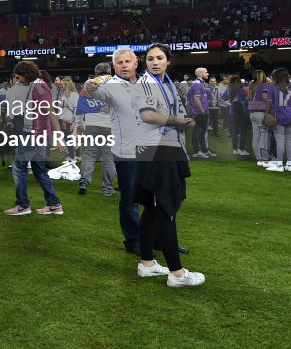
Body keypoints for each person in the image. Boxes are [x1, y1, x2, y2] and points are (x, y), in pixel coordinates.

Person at [132, 44, 204, 287]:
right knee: (165, 207)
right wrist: (176, 120)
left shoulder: (166, 83)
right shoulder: (146, 83)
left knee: (153, 208)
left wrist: (182, 121)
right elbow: (147, 115)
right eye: (150, 58)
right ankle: (177, 273)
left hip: (164, 148)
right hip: (156, 150)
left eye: (159, 58)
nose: (154, 62)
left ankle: (147, 263)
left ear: (168, 61)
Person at [86, 49, 142, 254]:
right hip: (126, 151)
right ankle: (133, 240)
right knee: (130, 196)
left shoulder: (148, 84)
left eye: (128, 61)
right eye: (119, 62)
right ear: (114, 66)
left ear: (136, 63)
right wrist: (91, 83)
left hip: (152, 149)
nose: (125, 65)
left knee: (155, 197)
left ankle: (157, 238)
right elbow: (91, 90)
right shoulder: (110, 86)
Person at [3, 61, 63, 216]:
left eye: (19, 77)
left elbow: (51, 112)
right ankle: (54, 204)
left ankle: (23, 205)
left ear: (26, 74)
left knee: (18, 167)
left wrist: (58, 136)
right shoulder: (36, 86)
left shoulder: (38, 87)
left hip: (34, 134)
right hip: (37, 133)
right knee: (39, 170)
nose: (17, 81)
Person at [77, 63, 116, 196]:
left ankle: (84, 181)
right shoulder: (116, 83)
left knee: (89, 154)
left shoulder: (88, 83)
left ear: (96, 72)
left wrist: (79, 124)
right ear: (109, 71)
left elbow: (80, 105)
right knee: (109, 158)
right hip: (110, 126)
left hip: (91, 124)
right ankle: (107, 189)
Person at [266, 68, 291, 172]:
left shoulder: (272, 87)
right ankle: (290, 165)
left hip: (279, 118)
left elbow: (269, 103)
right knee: (289, 142)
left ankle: (279, 165)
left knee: (280, 142)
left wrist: (266, 114)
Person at [247, 70, 273, 166]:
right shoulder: (264, 85)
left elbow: (249, 98)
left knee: (256, 136)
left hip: (252, 113)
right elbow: (265, 97)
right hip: (261, 113)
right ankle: (265, 158)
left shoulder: (252, 85)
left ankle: (258, 158)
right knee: (264, 137)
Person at [186, 67, 213, 159]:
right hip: (200, 112)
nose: (207, 74)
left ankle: (204, 150)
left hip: (203, 112)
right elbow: (195, 99)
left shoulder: (200, 84)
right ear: (201, 74)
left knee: (201, 133)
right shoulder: (197, 84)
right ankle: (197, 151)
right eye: (206, 72)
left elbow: (208, 97)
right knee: (197, 133)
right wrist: (202, 111)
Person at [220, 75, 250, 156]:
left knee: (235, 131)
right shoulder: (242, 90)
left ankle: (235, 149)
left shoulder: (229, 90)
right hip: (241, 112)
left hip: (232, 112)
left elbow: (221, 99)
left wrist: (228, 104)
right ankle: (242, 150)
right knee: (243, 131)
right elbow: (247, 100)